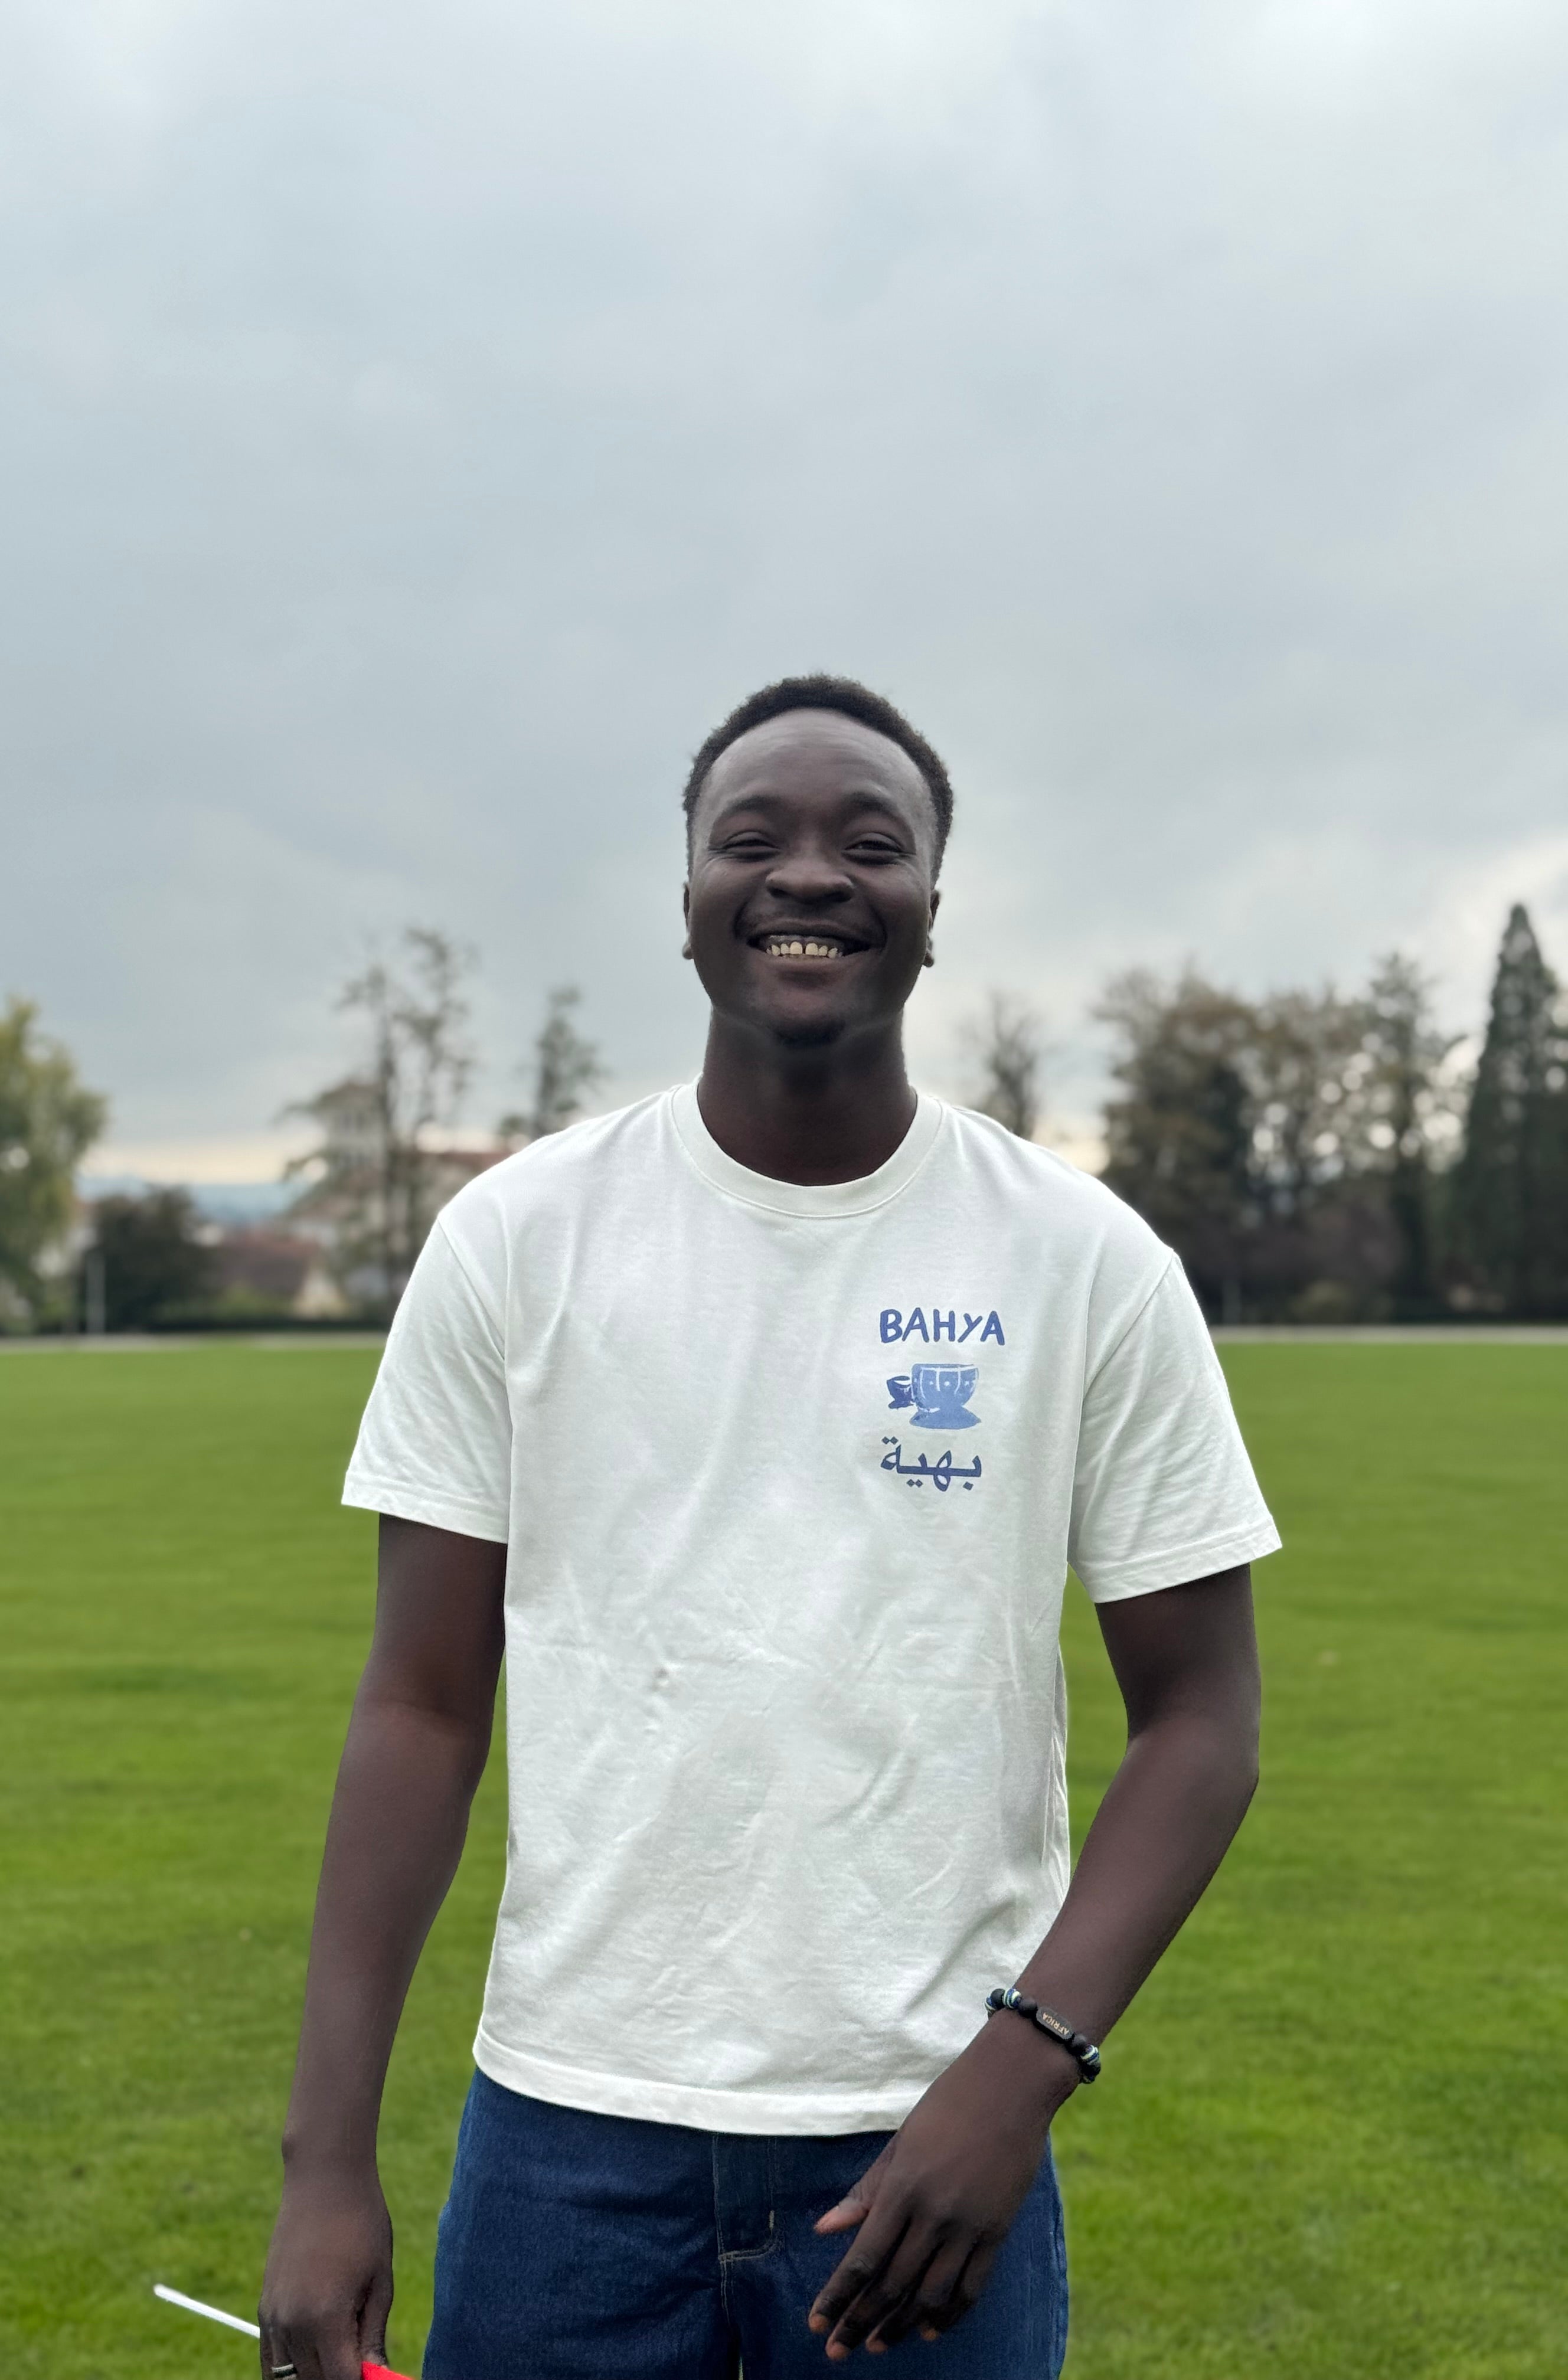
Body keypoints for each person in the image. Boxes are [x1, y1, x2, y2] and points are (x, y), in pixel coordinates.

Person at [259, 675, 1279, 2380]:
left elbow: (1203, 1722)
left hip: (922, 2145)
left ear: (930, 914)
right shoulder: (517, 1240)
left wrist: (1017, 2074)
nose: (811, 874)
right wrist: (325, 2165)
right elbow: (421, 1712)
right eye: (756, 838)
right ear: (687, 905)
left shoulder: (1084, 1262)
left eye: (870, 845)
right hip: (565, 2141)